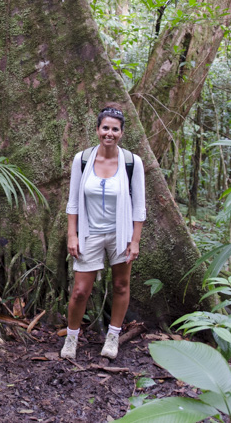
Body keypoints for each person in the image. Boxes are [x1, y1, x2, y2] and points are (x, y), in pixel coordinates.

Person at [61, 105, 146, 360]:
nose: (109, 133)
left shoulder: (132, 162)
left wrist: (135, 241)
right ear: (98, 130)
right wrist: (72, 235)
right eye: (105, 128)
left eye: (115, 129)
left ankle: (113, 336)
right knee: (80, 291)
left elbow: (139, 205)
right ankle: (71, 337)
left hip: (120, 234)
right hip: (90, 234)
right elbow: (73, 201)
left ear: (121, 133)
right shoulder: (83, 159)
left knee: (121, 285)